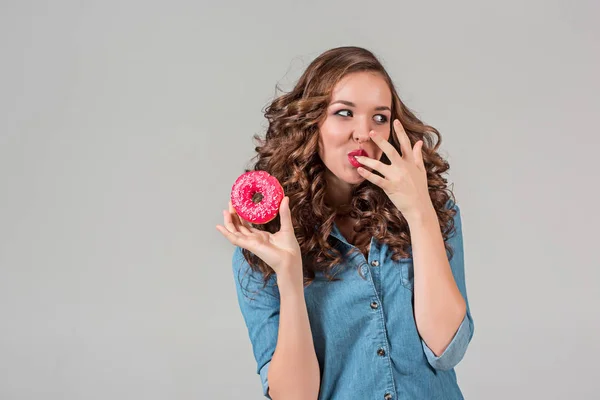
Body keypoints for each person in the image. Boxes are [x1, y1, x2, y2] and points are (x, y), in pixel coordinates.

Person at [216, 46, 474, 400]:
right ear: (313, 122)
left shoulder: (434, 212)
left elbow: (447, 349)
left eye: (379, 118)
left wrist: (420, 214)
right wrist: (290, 278)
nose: (364, 133)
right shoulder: (265, 247)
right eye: (344, 113)